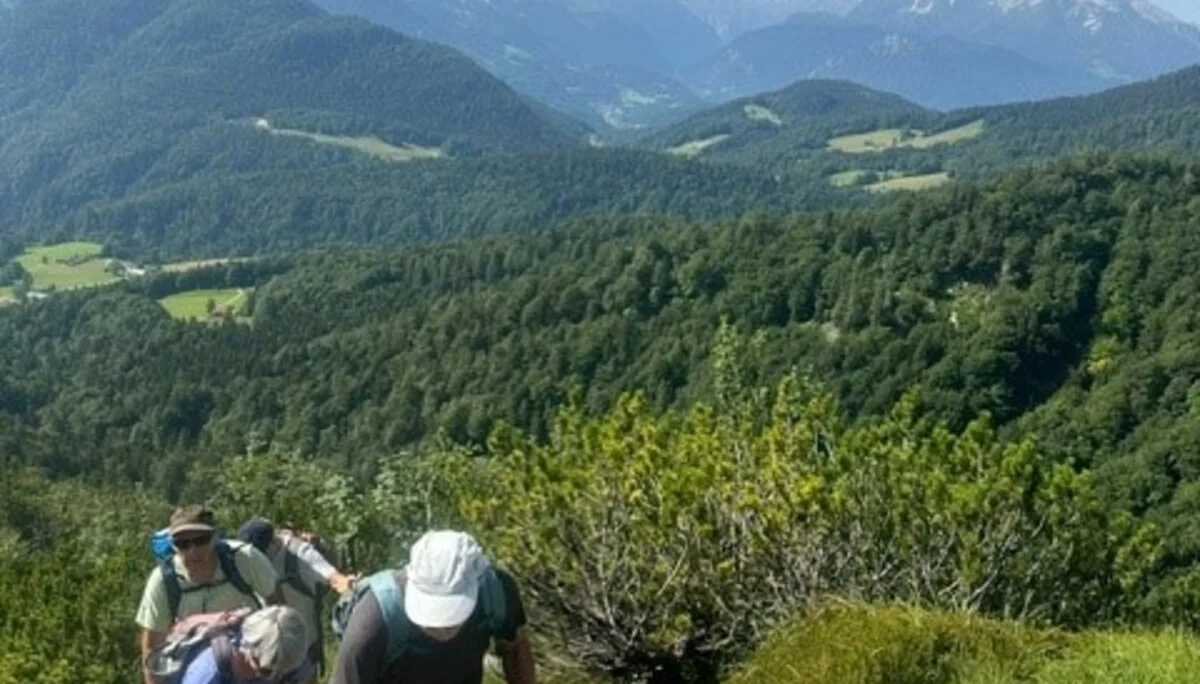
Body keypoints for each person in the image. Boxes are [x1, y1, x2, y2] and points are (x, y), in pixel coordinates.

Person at [329, 530, 537, 684]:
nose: (442, 626)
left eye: (453, 611)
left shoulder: (496, 593)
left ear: (476, 585)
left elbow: (515, 647)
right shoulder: (373, 619)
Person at [137, 505, 285, 684]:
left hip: (251, 661)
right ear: (173, 545)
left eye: (201, 540)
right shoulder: (163, 580)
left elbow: (279, 610)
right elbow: (153, 646)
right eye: (183, 544)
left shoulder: (245, 559)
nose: (193, 551)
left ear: (215, 538)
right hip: (190, 664)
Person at [238, 518, 358, 679]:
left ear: (274, 541)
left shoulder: (300, 554)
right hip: (260, 653)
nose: (257, 559)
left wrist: (347, 585)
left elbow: (332, 577)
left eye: (261, 553)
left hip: (301, 653)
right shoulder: (246, 558)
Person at [177, 605, 314, 684]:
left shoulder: (287, 658)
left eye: (284, 672)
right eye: (266, 671)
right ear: (247, 647)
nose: (275, 678)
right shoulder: (208, 674)